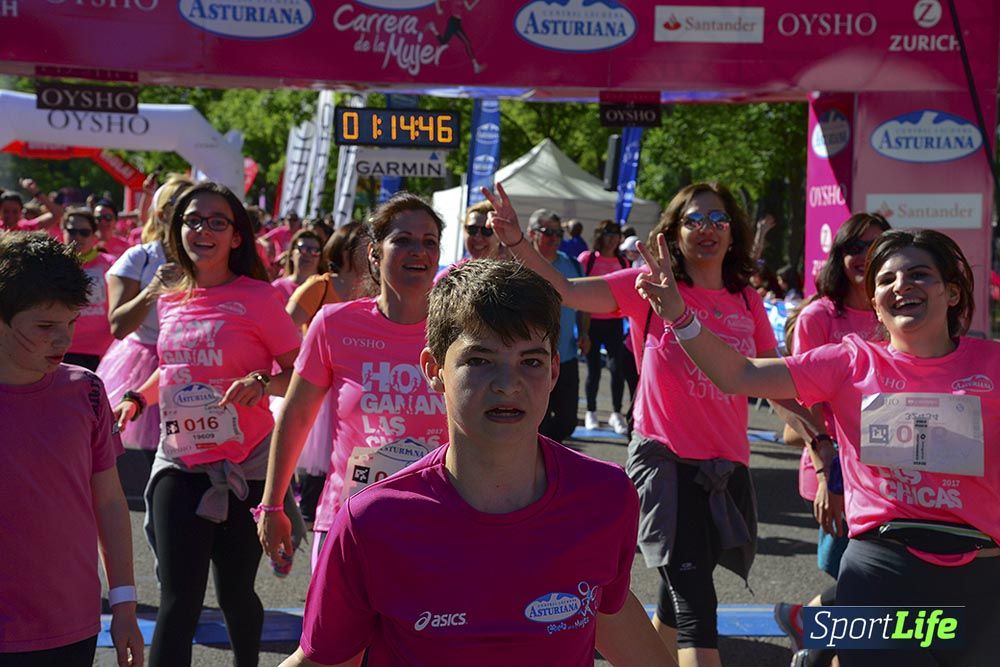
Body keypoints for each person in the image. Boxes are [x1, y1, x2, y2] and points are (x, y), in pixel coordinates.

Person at [278, 259, 672, 667]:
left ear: (554, 370)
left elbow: (607, 609)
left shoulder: (605, 496)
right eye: (480, 360)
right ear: (434, 369)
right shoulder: (373, 520)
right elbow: (323, 659)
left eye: (531, 361)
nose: (508, 384)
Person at [635, 228, 999, 667]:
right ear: (875, 303)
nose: (902, 286)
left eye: (919, 274)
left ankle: (812, 631)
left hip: (983, 576)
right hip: (881, 570)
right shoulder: (849, 362)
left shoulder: (992, 365)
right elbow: (740, 374)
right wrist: (680, 315)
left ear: (952, 292)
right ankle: (818, 632)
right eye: (886, 280)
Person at [486, 182, 793, 667]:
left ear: (733, 232)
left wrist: (822, 441)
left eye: (718, 219)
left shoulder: (746, 299)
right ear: (674, 232)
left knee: (677, 599)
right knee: (696, 606)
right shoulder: (649, 285)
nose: (707, 229)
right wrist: (517, 241)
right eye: (694, 219)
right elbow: (565, 290)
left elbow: (772, 377)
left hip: (726, 469)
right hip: (665, 464)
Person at [113, 182, 301, 667]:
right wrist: (138, 397)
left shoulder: (258, 297)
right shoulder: (171, 298)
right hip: (180, 461)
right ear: (177, 230)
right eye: (193, 220)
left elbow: (300, 373)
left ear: (236, 237)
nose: (203, 230)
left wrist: (261, 381)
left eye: (217, 222)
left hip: (247, 465)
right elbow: (175, 368)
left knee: (236, 594)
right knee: (179, 599)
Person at [258, 192, 449, 570]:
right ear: (374, 254)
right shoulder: (334, 324)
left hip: (434, 521)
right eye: (403, 240)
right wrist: (272, 505)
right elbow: (296, 417)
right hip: (349, 520)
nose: (419, 251)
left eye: (429, 241)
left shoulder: (458, 330)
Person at [0, 232, 143, 667]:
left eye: (71, 323)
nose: (63, 341)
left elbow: (110, 502)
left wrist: (124, 603)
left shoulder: (88, 391)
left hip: (70, 625)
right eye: (45, 327)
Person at [772, 213, 891, 663]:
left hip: (889, 473)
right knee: (860, 576)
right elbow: (802, 404)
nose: (863, 256)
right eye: (854, 247)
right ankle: (813, 632)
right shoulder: (819, 316)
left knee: (873, 579)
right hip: (838, 470)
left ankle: (807, 623)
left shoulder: (893, 310)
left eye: (874, 246)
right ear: (839, 256)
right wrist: (829, 476)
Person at [284, 221, 377, 522]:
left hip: (358, 386)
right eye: (365, 245)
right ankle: (312, 519)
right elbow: (282, 329)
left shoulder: (376, 289)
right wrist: (305, 355)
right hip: (321, 388)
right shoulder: (320, 286)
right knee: (319, 467)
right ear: (346, 249)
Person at [98, 177, 190, 455]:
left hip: (192, 364)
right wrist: (152, 289)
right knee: (136, 459)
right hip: (140, 366)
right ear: (162, 213)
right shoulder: (139, 257)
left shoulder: (208, 260)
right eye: (182, 204)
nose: (192, 211)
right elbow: (118, 326)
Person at [527, 208, 590, 443]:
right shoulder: (520, 265)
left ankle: (545, 452)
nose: (554, 238)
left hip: (565, 356)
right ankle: (540, 458)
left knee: (567, 421)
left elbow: (584, 304)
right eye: (548, 232)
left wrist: (584, 333)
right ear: (532, 233)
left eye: (558, 233)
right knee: (536, 422)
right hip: (530, 360)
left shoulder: (573, 265)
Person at [577, 220, 630, 434]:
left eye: (616, 234)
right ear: (600, 235)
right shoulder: (588, 259)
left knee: (617, 369)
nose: (612, 238)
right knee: (593, 370)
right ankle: (591, 411)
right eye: (608, 233)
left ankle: (617, 413)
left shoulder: (623, 262)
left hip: (614, 322)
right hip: (591, 321)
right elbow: (577, 291)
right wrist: (582, 331)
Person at [61, 206, 116, 371]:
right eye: (72, 231)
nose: (77, 237)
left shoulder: (112, 263)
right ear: (63, 231)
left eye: (84, 232)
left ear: (94, 234)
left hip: (103, 351)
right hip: (63, 348)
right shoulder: (52, 266)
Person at [434, 199, 499, 281]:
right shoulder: (449, 276)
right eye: (472, 229)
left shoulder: (511, 271)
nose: (478, 237)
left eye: (486, 230)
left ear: (500, 234)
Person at [272, 230, 324, 304]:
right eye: (302, 248)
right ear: (291, 254)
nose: (308, 254)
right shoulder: (277, 288)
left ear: (320, 258)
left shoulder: (327, 289)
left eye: (315, 251)